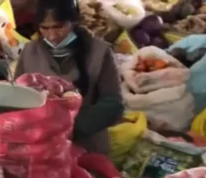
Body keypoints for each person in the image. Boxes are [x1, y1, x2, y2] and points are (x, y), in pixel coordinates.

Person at [14, 0, 124, 154]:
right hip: (39, 147)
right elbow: (16, 97)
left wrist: (71, 127)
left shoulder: (99, 51)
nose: (51, 35)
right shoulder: (30, 51)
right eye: (44, 28)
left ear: (73, 22)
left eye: (58, 27)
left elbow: (113, 104)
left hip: (87, 147)